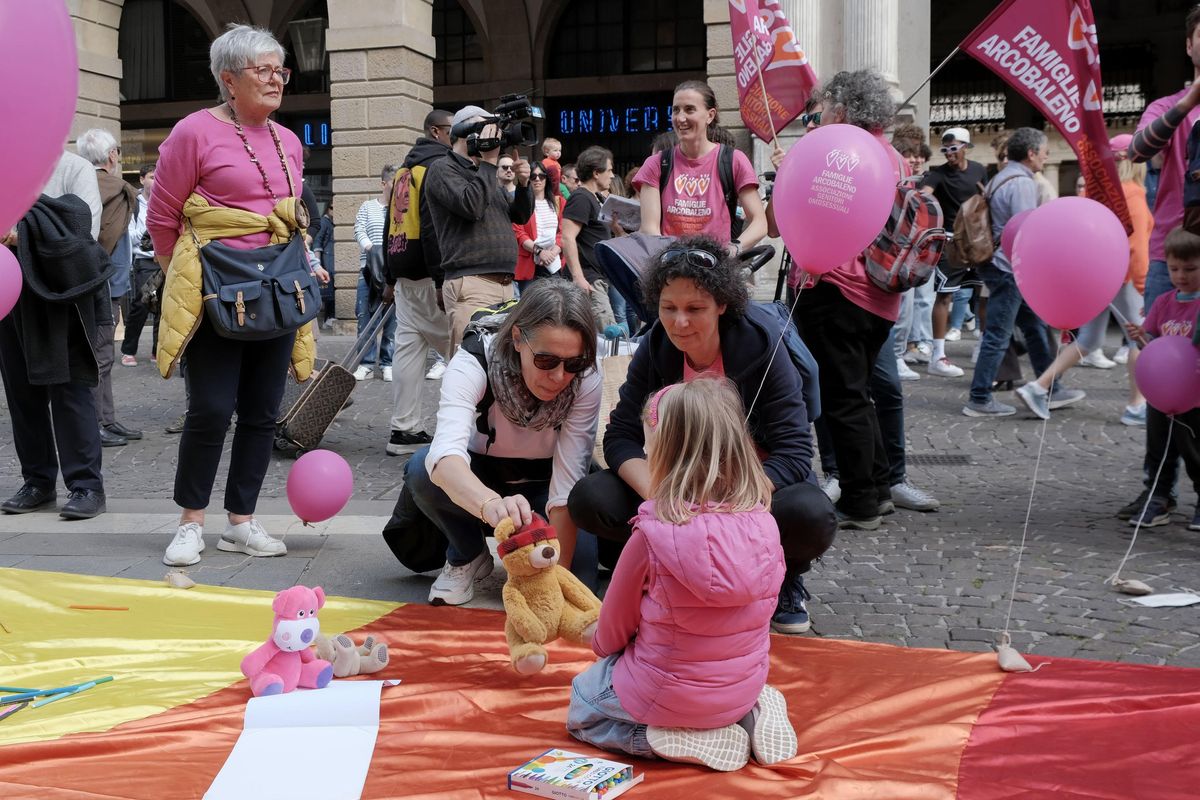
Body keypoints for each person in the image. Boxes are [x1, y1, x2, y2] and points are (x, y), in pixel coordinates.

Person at [569, 235, 836, 634]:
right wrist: (659, 493)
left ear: (722, 304)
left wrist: (735, 500)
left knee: (810, 513)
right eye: (668, 308)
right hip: (679, 485)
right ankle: (657, 568)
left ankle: (782, 578)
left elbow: (795, 453)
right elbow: (620, 435)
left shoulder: (762, 347)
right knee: (591, 496)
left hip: (750, 489)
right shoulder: (657, 344)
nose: (679, 322)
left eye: (695, 308)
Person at [149, 24, 328, 567]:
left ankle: (241, 521)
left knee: (260, 412)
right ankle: (190, 522)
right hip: (217, 290)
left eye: (281, 70)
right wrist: (189, 280)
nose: (277, 80)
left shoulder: (289, 141)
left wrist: (309, 261)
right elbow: (163, 218)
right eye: (264, 71)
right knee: (208, 409)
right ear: (229, 80)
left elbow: (293, 220)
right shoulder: (192, 133)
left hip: (276, 288)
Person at [566, 378, 797, 773]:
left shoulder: (651, 534)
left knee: (583, 705)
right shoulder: (765, 524)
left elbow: (611, 633)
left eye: (648, 446)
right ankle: (750, 712)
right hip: (740, 688)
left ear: (664, 455)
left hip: (664, 695)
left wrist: (603, 645)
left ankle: (656, 738)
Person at [406, 280, 601, 606]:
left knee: (578, 582)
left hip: (546, 480)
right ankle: (466, 554)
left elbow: (568, 481)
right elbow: (444, 457)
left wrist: (555, 582)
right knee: (421, 469)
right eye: (546, 360)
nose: (559, 376)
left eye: (573, 363)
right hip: (480, 475)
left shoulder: (587, 378)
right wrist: (489, 504)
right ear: (517, 339)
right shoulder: (474, 360)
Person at [0, 151, 109, 520]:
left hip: (61, 297)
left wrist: (22, 234)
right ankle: (37, 482)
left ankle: (86, 486)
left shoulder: (72, 167)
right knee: (21, 394)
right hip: (10, 294)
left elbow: (84, 232)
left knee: (70, 390)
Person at [962, 128, 1062, 418]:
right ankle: (979, 397)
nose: (1046, 156)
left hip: (999, 264)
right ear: (1031, 153)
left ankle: (1051, 386)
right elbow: (1024, 232)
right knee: (997, 334)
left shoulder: (1002, 176)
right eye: (1044, 151)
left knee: (1035, 327)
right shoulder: (1021, 183)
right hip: (1008, 268)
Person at [424, 105, 533, 354]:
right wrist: (490, 162)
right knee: (470, 367)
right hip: (472, 284)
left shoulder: (485, 172)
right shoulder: (442, 168)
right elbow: (470, 206)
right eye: (485, 129)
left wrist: (524, 185)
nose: (492, 137)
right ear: (465, 133)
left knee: (501, 367)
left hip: (505, 284)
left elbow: (519, 216)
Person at [1120, 225, 1200, 531]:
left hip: (1194, 395)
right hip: (1160, 394)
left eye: (1190, 268)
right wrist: (1141, 337)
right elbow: (1153, 344)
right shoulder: (1164, 302)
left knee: (1194, 449)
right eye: (1174, 268)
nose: (1181, 275)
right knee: (1158, 446)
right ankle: (1159, 496)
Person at [384, 109, 454, 456]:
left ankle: (404, 428)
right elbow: (431, 227)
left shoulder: (403, 170)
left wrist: (387, 276)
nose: (456, 137)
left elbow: (389, 222)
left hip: (402, 268)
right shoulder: (437, 167)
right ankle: (461, 430)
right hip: (429, 273)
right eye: (452, 131)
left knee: (408, 350)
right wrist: (442, 279)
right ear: (436, 132)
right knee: (459, 353)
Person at [634, 80, 766, 252]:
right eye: (676, 110)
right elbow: (650, 230)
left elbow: (760, 222)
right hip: (670, 270)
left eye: (689, 109)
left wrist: (732, 250)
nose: (680, 118)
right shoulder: (656, 164)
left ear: (710, 116)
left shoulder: (733, 160)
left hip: (716, 270)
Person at [1130, 6, 1200, 311]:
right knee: (1160, 350)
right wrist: (1188, 102)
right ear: (1188, 45)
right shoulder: (1167, 107)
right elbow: (1137, 151)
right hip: (1171, 256)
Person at [77, 128, 142, 447]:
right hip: (103, 282)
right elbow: (108, 237)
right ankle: (96, 423)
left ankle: (107, 418)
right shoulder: (118, 188)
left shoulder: (75, 184)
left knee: (101, 352)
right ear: (112, 156)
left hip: (84, 279)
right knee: (100, 354)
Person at [919, 128, 987, 379]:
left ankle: (983, 347)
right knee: (944, 296)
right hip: (951, 241)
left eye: (954, 148)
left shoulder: (979, 169)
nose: (949, 154)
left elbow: (985, 197)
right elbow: (922, 195)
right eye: (945, 150)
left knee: (983, 294)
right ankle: (937, 355)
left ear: (965, 147)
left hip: (977, 241)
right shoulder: (937, 174)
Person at [560, 146, 618, 331]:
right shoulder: (581, 198)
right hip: (588, 281)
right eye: (609, 170)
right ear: (596, 173)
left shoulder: (596, 198)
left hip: (596, 279)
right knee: (609, 338)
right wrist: (578, 278)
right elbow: (567, 238)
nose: (612, 176)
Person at [353, 164, 398, 381]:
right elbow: (359, 229)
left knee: (392, 320)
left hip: (393, 272)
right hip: (369, 270)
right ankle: (366, 362)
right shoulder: (368, 207)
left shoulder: (402, 210)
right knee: (365, 316)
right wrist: (372, 249)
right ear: (384, 183)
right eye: (393, 182)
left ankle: (388, 362)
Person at [123, 164, 162, 363]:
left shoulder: (165, 202)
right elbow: (129, 237)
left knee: (162, 308)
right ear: (141, 180)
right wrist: (149, 225)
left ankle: (157, 351)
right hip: (145, 260)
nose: (155, 182)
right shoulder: (134, 204)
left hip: (164, 260)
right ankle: (129, 350)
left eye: (158, 177)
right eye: (151, 177)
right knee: (142, 304)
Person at [513, 161, 564, 292]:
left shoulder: (559, 202)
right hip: (529, 263)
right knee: (530, 307)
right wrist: (540, 252)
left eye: (541, 176)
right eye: (533, 176)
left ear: (546, 179)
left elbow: (563, 231)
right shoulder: (520, 202)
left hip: (553, 261)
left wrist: (552, 253)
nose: (537, 179)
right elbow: (519, 233)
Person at [312, 200, 335, 326]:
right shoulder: (324, 222)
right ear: (327, 208)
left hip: (330, 260)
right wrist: (318, 265)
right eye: (332, 207)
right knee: (329, 291)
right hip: (327, 261)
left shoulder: (331, 222)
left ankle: (329, 317)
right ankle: (328, 318)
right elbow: (317, 243)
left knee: (331, 291)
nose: (334, 210)